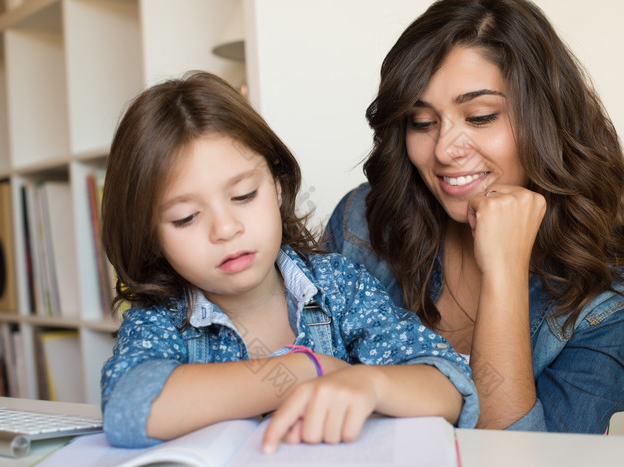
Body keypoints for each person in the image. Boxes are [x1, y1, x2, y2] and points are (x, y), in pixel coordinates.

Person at [325, 0, 624, 433]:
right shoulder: (361, 222)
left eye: (480, 116)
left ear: (545, 118)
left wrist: (505, 271)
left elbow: (516, 458)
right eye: (421, 121)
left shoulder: (612, 306)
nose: (443, 150)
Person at [99, 71, 478, 452]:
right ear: (150, 235)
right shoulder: (162, 316)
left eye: (244, 195)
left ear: (278, 186)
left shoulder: (338, 286)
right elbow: (129, 408)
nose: (226, 229)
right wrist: (310, 369)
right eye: (185, 218)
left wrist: (370, 385)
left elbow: (449, 386)